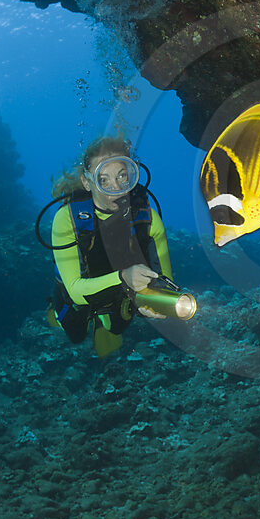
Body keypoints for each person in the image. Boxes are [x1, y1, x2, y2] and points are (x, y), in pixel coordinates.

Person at [48, 136, 172, 357]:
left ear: (132, 176)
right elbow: (76, 291)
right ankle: (57, 313)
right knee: (74, 332)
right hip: (78, 294)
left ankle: (103, 325)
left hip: (120, 293)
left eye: (122, 176)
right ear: (87, 183)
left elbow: (164, 280)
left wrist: (155, 299)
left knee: (117, 327)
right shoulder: (67, 219)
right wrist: (123, 276)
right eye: (103, 180)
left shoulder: (149, 220)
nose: (116, 188)